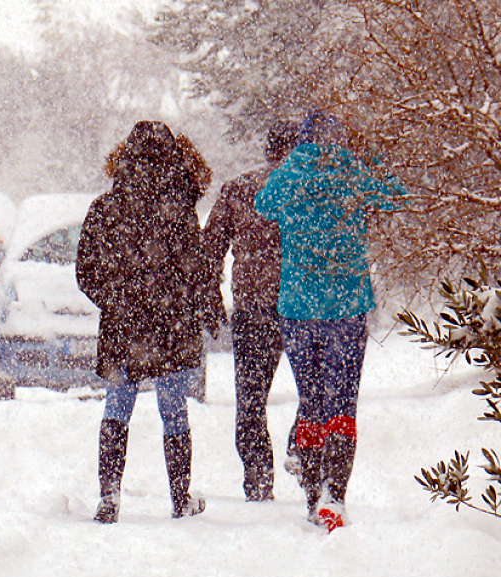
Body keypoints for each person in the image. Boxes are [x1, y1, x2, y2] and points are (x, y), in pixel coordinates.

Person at [254, 111, 403, 531]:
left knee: (312, 401)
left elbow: (263, 205)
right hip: (347, 305)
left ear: (303, 140)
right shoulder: (352, 170)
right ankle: (334, 497)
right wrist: (369, 157)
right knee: (343, 404)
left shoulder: (290, 173)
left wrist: (293, 168)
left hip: (298, 306)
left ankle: (310, 494)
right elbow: (395, 195)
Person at [76, 121, 222, 524]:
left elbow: (86, 271)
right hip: (171, 325)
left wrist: (116, 299)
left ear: (125, 156)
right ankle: (180, 498)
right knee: (174, 411)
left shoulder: (106, 208)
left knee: (117, 407)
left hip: (124, 325)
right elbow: (196, 268)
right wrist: (204, 306)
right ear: (176, 158)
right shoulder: (179, 209)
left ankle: (109, 496)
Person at [202, 120, 300, 502]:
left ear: (267, 150)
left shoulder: (240, 189)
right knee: (314, 392)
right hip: (302, 306)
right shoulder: (309, 191)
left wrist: (211, 302)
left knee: (251, 400)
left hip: (253, 308)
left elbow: (209, 251)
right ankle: (301, 448)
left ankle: (258, 478)